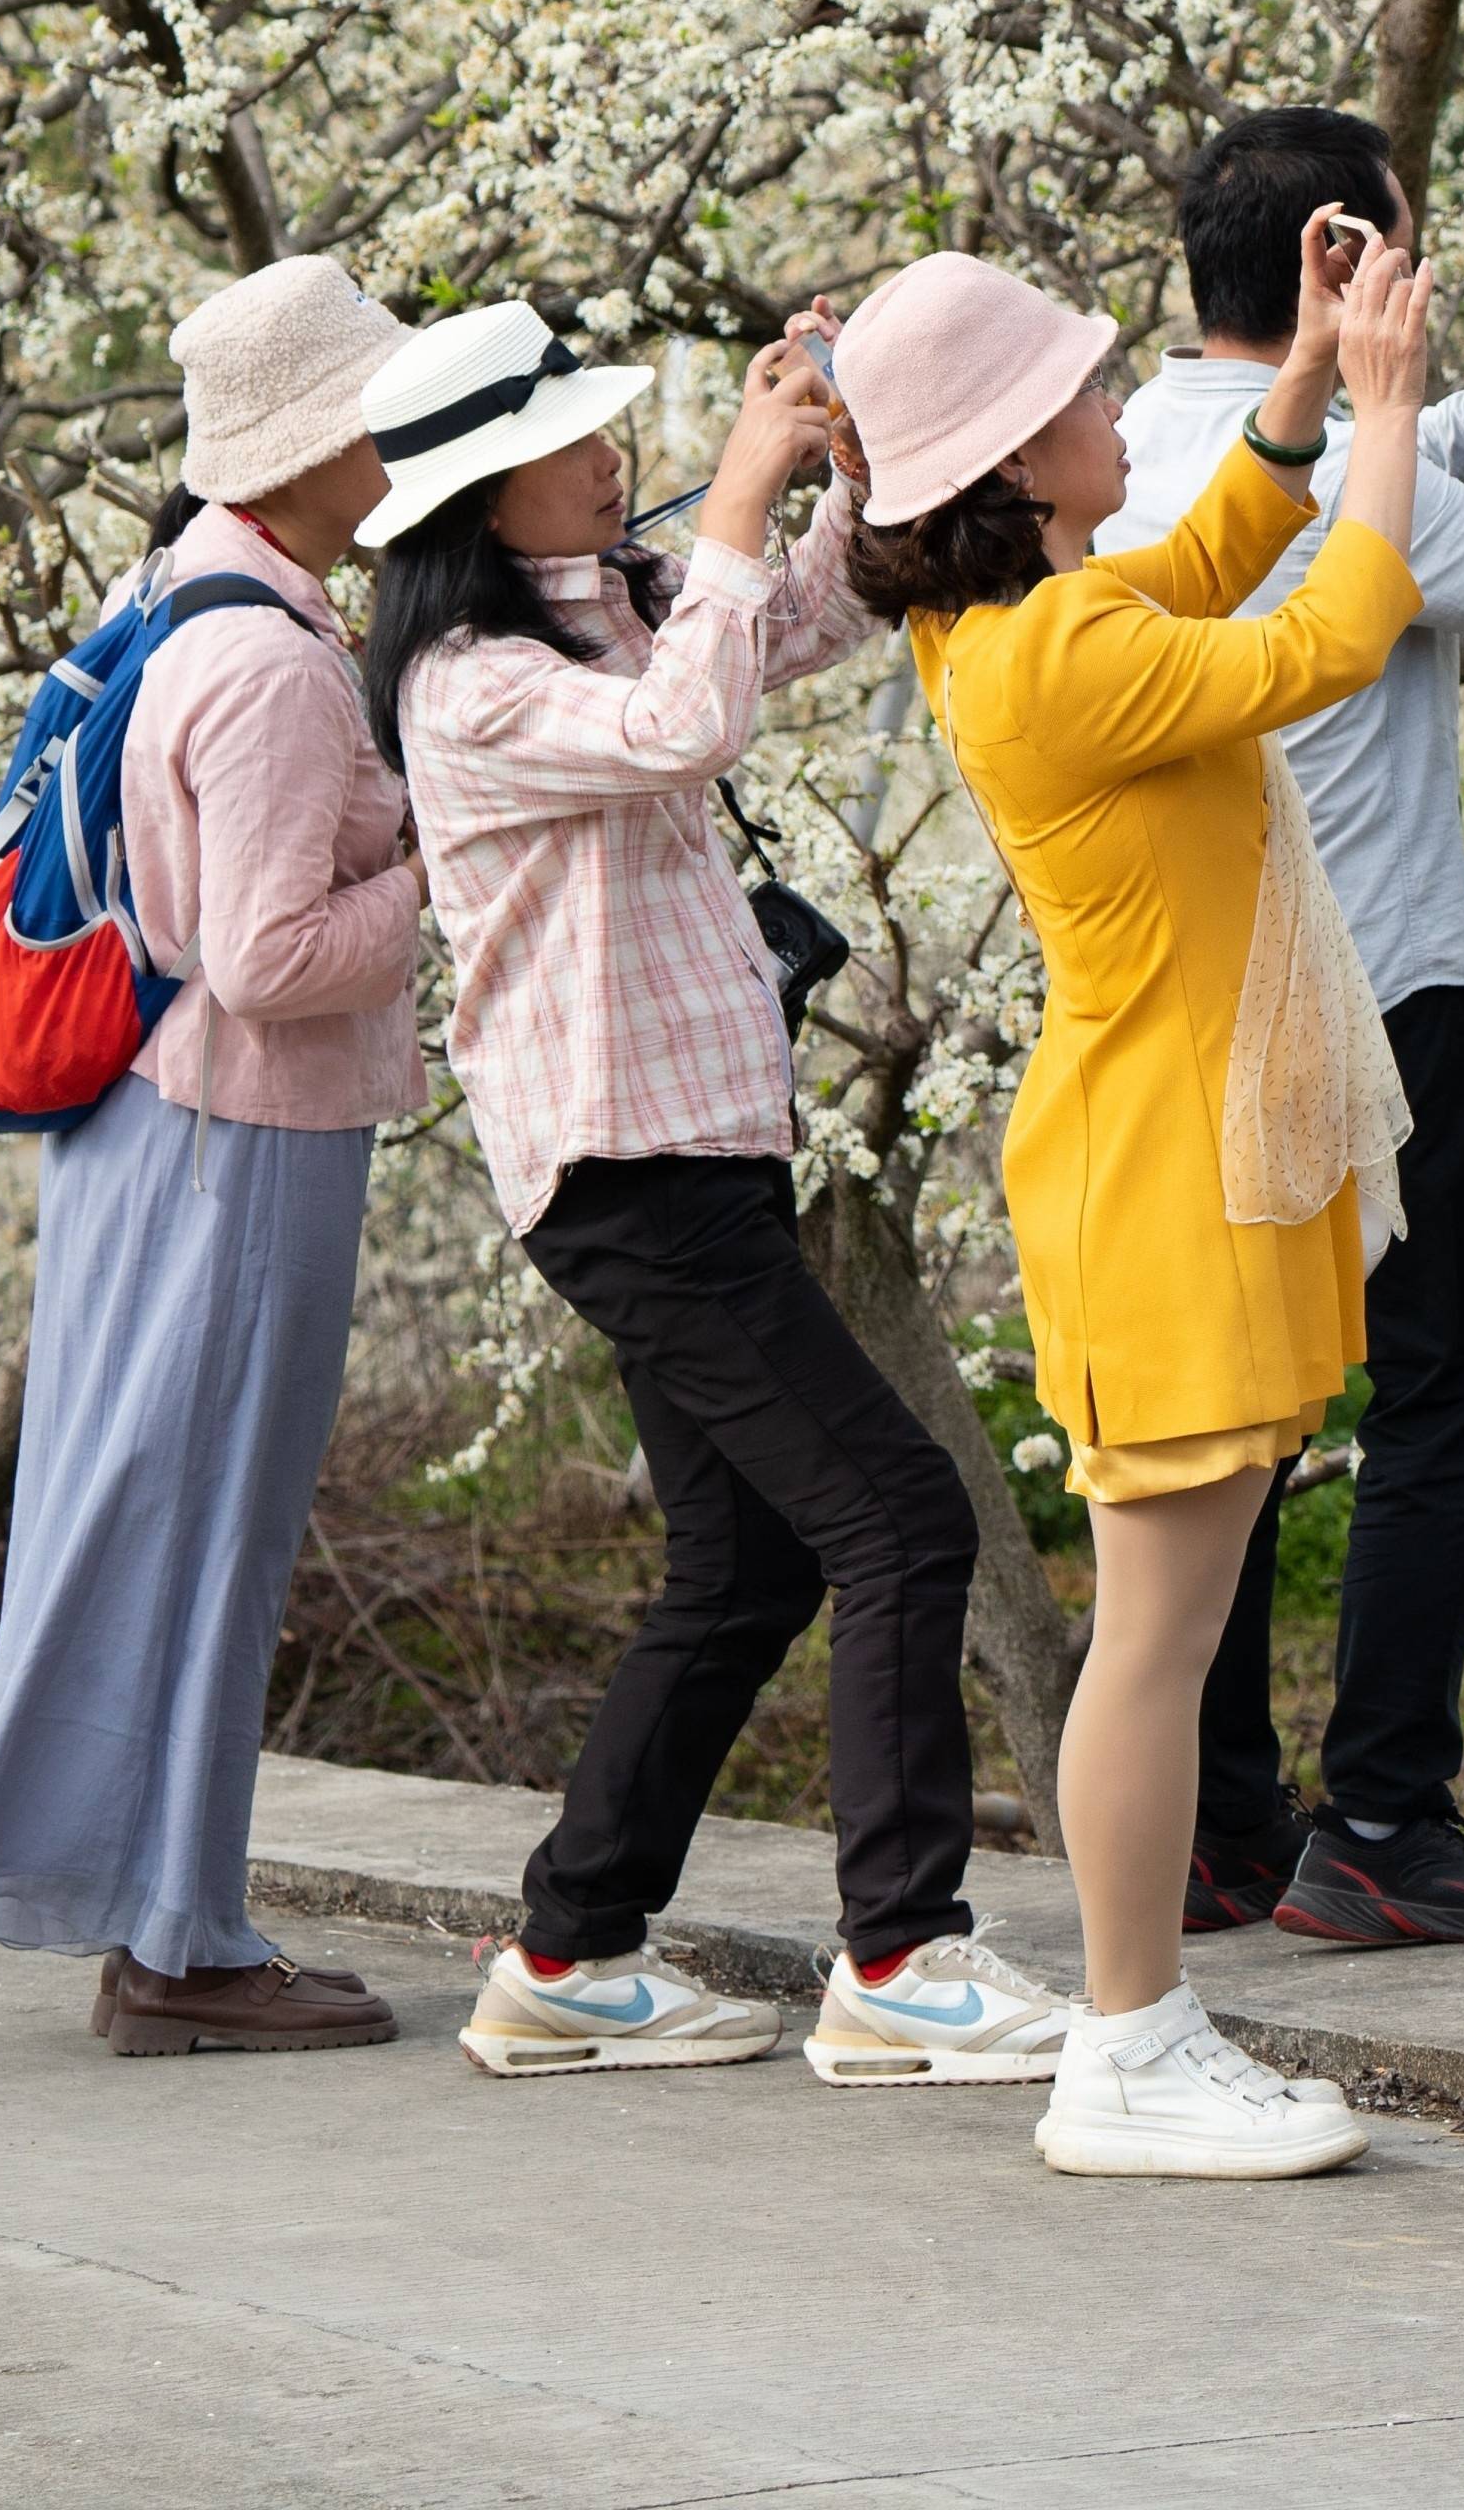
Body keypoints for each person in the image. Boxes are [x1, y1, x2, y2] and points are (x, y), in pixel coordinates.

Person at [357, 296, 1071, 2092]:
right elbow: (684, 733)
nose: (616, 457)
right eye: (577, 445)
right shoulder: (469, 689)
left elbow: (804, 624)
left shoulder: (615, 606)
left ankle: (565, 1952)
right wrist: (743, 493)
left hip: (691, 1155)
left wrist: (834, 457)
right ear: (482, 500)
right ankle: (903, 1957)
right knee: (901, 1514)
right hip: (623, 1167)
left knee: (744, 1561)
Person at [834, 226, 1432, 2182]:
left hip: (1171, 1149)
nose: (1117, 410)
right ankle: (1126, 2036)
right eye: (1081, 395)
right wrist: (1390, 417)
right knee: (1158, 1635)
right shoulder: (1056, 653)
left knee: (1164, 1624)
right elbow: (1324, 641)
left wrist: (1304, 395)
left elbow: (1202, 561)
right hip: (1157, 1167)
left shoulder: (1032, 620)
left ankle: (1135, 2026)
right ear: (1011, 462)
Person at [1106, 111, 1464, 1947]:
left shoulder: (1124, 446)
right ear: (1339, 260)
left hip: (1202, 1000)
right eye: (1404, 254)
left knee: (1243, 1412)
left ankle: (1214, 1827)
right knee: (1449, 1389)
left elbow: (1386, 459)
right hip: (1388, 996)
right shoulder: (1365, 478)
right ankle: (1384, 1824)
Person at [0, 254, 429, 2057]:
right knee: (209, 1521)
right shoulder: (270, 662)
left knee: (147, 1502)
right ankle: (182, 1946)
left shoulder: (172, 591)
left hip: (154, 1128)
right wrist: (451, 869)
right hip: (239, 1136)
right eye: (373, 416)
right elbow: (273, 955)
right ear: (310, 446)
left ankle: (160, 1916)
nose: (398, 442)